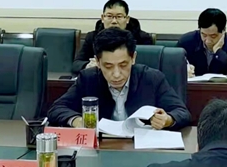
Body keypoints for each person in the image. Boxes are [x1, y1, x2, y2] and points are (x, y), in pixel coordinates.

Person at [49, 27, 191, 130]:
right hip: (102, 150)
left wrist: (167, 119)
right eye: (108, 66)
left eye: (123, 65)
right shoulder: (88, 79)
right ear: (97, 62)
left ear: (133, 58)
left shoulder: (152, 78)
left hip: (141, 149)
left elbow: (182, 112)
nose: (116, 74)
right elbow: (57, 108)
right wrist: (77, 121)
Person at [71, 0, 153, 73]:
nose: (114, 21)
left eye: (119, 16)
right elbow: (76, 64)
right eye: (109, 16)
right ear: (103, 18)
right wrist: (89, 65)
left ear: (127, 19)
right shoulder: (92, 37)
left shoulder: (142, 38)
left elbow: (148, 67)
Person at [177, 8, 227, 78]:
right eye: (204, 35)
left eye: (213, 36)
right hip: (194, 86)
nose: (208, 41)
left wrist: (219, 52)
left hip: (222, 86)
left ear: (223, 30)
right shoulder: (187, 41)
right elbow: (173, 65)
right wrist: (183, 70)